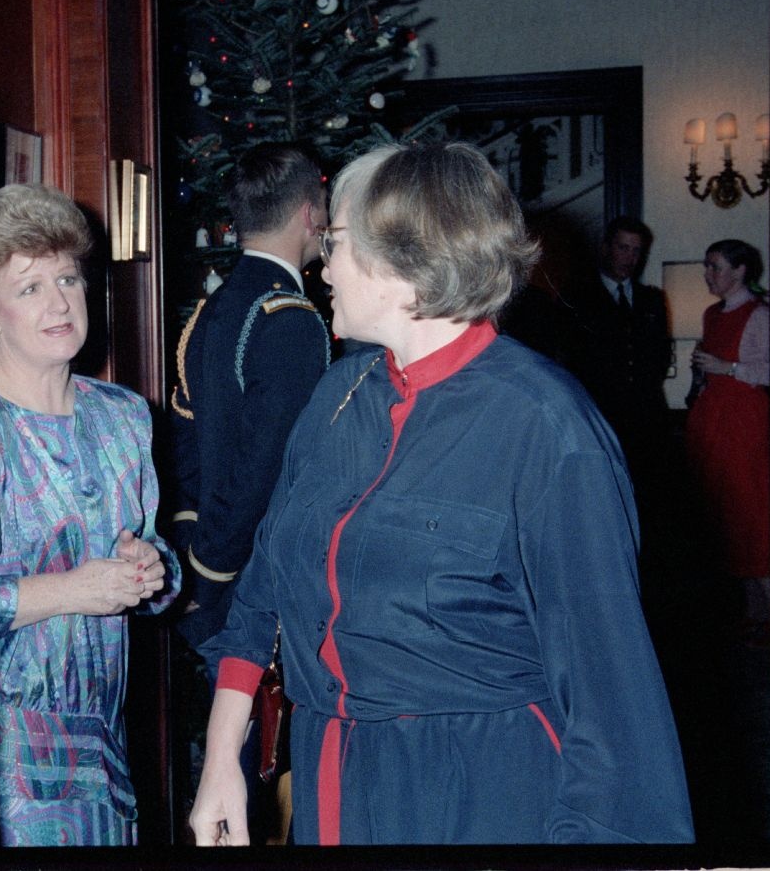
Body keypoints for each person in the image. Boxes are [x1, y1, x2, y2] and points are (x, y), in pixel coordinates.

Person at [188, 141, 694, 845]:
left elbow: (614, 705)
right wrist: (221, 764)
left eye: (335, 242)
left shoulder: (547, 428)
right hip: (336, 782)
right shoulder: (339, 393)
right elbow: (261, 592)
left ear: (402, 268)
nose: (323, 265)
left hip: (481, 793)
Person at [0, 183, 181, 846]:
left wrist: (151, 568)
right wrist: (75, 590)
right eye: (29, 288)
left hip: (106, 746)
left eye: (68, 279)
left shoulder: (124, 416)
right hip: (9, 754)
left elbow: (158, 567)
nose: (58, 302)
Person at [168, 142, 331, 841]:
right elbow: (262, 471)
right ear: (309, 214)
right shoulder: (289, 319)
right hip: (254, 602)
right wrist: (214, 573)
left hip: (210, 585)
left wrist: (193, 552)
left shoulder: (211, 312)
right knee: (267, 796)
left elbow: (183, 447)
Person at [559, 216, 674, 518]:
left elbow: (660, 357)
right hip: (600, 417)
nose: (630, 258)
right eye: (623, 248)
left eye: (636, 251)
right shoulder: (577, 298)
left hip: (648, 421)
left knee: (650, 501)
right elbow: (569, 359)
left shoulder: (652, 300)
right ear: (606, 248)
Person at [686, 239, 770, 631]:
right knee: (719, 513)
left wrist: (726, 367)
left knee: (748, 510)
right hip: (712, 418)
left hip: (742, 421)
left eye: (715, 267)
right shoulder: (710, 314)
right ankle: (747, 613)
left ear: (739, 272)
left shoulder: (759, 314)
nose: (708, 274)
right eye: (707, 266)